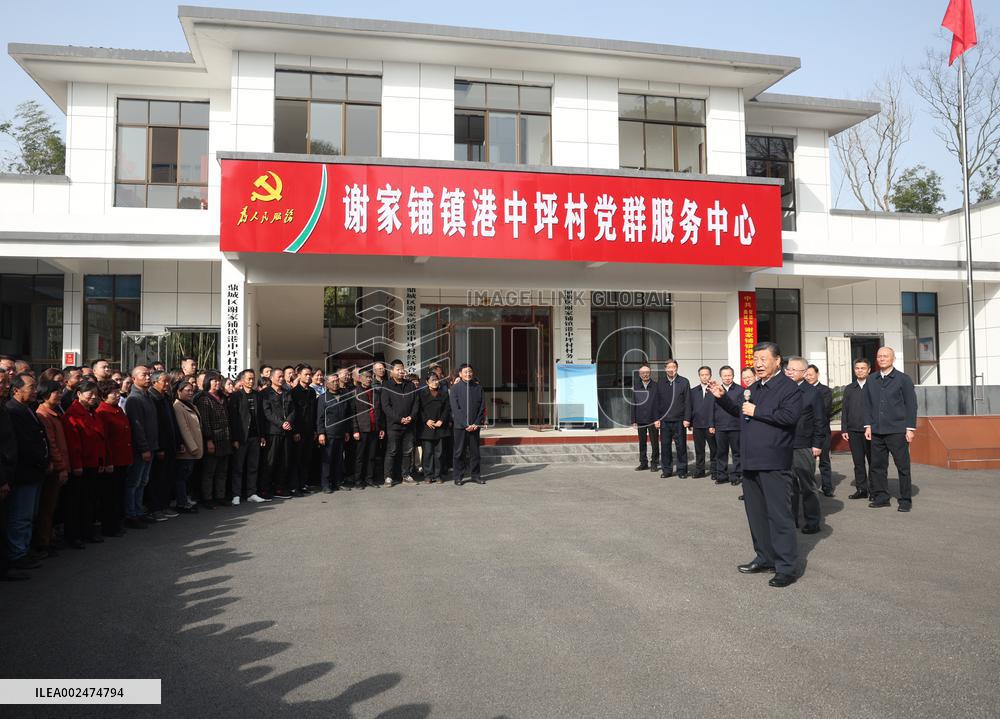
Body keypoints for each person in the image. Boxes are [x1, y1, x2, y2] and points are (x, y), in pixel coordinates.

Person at [709, 342, 803, 588]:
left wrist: (757, 410)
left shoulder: (789, 388)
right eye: (755, 359)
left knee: (779, 516)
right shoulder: (755, 388)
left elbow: (789, 417)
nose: (758, 364)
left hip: (774, 462)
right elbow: (740, 410)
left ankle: (786, 567)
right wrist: (722, 398)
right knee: (757, 515)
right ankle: (764, 557)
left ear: (777, 361)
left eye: (763, 359)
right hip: (750, 461)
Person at [864, 347, 918, 512]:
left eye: (886, 356)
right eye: (879, 356)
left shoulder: (903, 379)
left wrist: (910, 428)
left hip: (897, 430)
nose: (882, 359)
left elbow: (911, 405)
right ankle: (881, 497)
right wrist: (868, 425)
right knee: (877, 466)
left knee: (902, 466)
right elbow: (867, 404)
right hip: (877, 431)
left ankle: (905, 499)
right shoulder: (871, 379)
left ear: (893, 359)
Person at [4, 373, 49, 570]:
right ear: (16, 390)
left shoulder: (28, 409)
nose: (35, 391)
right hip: (23, 473)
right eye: (31, 387)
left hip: (36, 472)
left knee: (29, 515)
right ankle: (17, 555)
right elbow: (20, 445)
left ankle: (24, 550)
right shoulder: (12, 411)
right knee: (20, 517)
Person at [64, 380, 111, 539]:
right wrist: (77, 465)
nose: (93, 397)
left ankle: (87, 531)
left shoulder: (93, 412)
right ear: (78, 394)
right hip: (81, 465)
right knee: (77, 501)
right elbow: (73, 443)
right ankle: (75, 535)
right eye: (89, 393)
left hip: (94, 463)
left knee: (89, 499)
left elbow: (101, 439)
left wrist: (102, 461)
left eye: (95, 394)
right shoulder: (72, 414)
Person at [784, 358, 826, 535]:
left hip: (804, 445)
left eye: (794, 369)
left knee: (807, 485)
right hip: (784, 444)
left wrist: (817, 444)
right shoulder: (783, 390)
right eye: (788, 369)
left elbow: (820, 420)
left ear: (804, 372)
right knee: (788, 485)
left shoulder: (812, 392)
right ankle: (791, 519)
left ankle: (812, 521)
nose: (790, 372)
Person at [34, 380, 70, 556]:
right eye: (56, 392)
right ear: (46, 394)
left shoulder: (54, 412)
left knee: (52, 507)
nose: (60, 394)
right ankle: (43, 543)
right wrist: (61, 467)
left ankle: (48, 538)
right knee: (46, 508)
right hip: (54, 469)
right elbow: (52, 444)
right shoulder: (43, 414)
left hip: (59, 466)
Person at [0, 371, 28, 580]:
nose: (5, 386)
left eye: (6, 383)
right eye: (2, 382)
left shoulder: (3, 406)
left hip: (9, 472)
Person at [94, 380, 131, 537]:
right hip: (112, 460)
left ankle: (117, 523)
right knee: (110, 496)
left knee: (119, 493)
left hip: (123, 457)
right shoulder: (102, 412)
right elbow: (104, 440)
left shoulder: (118, 410)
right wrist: (107, 461)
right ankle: (110, 526)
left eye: (117, 392)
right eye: (113, 393)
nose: (117, 396)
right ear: (103, 395)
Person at [123, 366, 158, 527]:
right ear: (134, 378)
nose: (148, 377)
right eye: (144, 375)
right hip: (140, 450)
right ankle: (131, 514)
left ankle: (138, 511)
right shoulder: (134, 399)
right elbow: (137, 427)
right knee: (134, 483)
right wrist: (144, 448)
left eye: (149, 374)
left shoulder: (147, 395)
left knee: (143, 481)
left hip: (150, 447)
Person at [228, 369, 266, 504]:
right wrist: (235, 439)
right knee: (238, 466)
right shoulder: (236, 396)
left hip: (255, 436)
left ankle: (251, 493)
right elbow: (233, 419)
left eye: (253, 378)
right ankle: (236, 495)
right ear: (242, 380)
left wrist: (262, 435)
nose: (251, 381)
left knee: (253, 466)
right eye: (249, 379)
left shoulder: (258, 395)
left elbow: (261, 417)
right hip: (241, 437)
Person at [195, 372, 232, 508]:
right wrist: (208, 440)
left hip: (225, 438)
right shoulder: (203, 398)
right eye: (214, 381)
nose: (217, 383)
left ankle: (220, 496)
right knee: (209, 471)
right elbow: (204, 421)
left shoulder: (222, 397)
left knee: (222, 471)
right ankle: (207, 498)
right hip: (213, 439)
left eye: (218, 381)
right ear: (207, 382)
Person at [260, 366, 296, 499]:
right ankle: (264, 489)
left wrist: (288, 422)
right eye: (279, 377)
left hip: (286, 432)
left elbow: (293, 410)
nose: (281, 379)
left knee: (284, 461)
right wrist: (281, 423)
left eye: (282, 377)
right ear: (271, 378)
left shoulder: (287, 392)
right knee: (270, 461)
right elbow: (267, 412)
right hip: (273, 432)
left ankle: (279, 488)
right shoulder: (265, 393)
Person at [381, 359, 419, 486]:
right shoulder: (387, 385)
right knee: (392, 451)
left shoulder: (410, 385)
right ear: (392, 371)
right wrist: (399, 419)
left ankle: (406, 475)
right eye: (398, 369)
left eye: (402, 369)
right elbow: (386, 406)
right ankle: (388, 477)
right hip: (394, 425)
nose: (401, 371)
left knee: (407, 451)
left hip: (409, 424)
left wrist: (411, 417)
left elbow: (416, 403)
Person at [147, 371, 179, 520]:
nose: (167, 385)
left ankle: (164, 506)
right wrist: (159, 447)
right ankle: (155, 508)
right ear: (154, 382)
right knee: (157, 479)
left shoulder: (165, 397)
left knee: (168, 477)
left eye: (168, 382)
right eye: (164, 382)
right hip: (160, 446)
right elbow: (155, 426)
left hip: (171, 444)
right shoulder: (152, 397)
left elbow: (172, 421)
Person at [841, 358, 873, 500]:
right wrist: (844, 429)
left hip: (871, 431)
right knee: (858, 462)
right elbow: (845, 410)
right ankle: (862, 489)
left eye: (863, 368)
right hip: (853, 430)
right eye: (857, 368)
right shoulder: (849, 388)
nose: (859, 370)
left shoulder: (874, 387)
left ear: (869, 370)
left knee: (873, 462)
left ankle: (875, 490)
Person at [450, 363, 486, 486]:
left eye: (470, 371)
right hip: (460, 427)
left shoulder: (478, 388)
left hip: (475, 426)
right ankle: (458, 476)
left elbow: (482, 407)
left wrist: (476, 423)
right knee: (459, 452)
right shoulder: (455, 389)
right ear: (460, 374)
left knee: (475, 452)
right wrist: (466, 424)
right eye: (465, 372)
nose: (468, 374)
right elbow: (455, 409)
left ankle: (476, 475)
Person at [655, 359, 691, 479]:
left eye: (673, 367)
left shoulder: (684, 382)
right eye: (668, 367)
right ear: (665, 369)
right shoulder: (660, 383)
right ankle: (667, 470)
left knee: (681, 446)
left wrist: (687, 418)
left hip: (680, 421)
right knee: (665, 447)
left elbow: (687, 402)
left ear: (677, 368)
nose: (671, 369)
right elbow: (657, 402)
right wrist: (657, 419)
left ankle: (682, 471)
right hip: (664, 421)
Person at [172, 380, 203, 513]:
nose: (191, 393)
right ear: (179, 392)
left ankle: (186, 499)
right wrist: (193, 447)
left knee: (187, 477)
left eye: (192, 390)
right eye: (187, 390)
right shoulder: (178, 406)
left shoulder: (191, 405)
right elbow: (183, 429)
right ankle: (182, 502)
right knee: (181, 478)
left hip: (194, 446)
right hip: (187, 448)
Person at [317, 374, 351, 492]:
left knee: (339, 460)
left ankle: (337, 482)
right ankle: (326, 484)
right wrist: (321, 433)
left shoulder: (343, 396)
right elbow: (320, 417)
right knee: (327, 460)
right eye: (333, 381)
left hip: (341, 432)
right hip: (328, 433)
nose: (336, 383)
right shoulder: (323, 398)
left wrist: (346, 431)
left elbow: (347, 415)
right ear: (327, 384)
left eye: (337, 381)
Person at [805, 364, 834, 497]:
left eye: (811, 374)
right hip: (806, 432)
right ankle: (808, 487)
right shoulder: (802, 390)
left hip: (822, 431)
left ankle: (827, 487)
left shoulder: (825, 390)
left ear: (817, 375)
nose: (808, 377)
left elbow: (825, 410)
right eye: (807, 374)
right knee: (806, 461)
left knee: (824, 460)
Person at [352, 369, 384, 489]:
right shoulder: (355, 392)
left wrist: (381, 428)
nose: (369, 379)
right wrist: (355, 429)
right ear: (360, 379)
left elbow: (379, 411)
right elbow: (353, 413)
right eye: (366, 377)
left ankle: (369, 479)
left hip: (374, 428)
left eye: (370, 377)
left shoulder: (376, 392)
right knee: (360, 457)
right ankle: (358, 481)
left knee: (372, 456)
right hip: (361, 429)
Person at [417, 372, 451, 483]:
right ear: (427, 382)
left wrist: (441, 420)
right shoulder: (422, 393)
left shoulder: (444, 393)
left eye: (436, 380)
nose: (435, 382)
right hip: (427, 427)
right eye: (432, 380)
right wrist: (426, 420)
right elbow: (419, 409)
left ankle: (438, 475)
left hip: (440, 426)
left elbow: (447, 409)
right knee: (427, 452)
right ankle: (428, 475)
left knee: (439, 453)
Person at [290, 364, 318, 495]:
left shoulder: (312, 392)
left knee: (306, 459)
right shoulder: (294, 392)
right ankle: (294, 486)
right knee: (296, 459)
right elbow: (293, 414)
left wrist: (315, 430)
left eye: (309, 374)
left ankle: (303, 484)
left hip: (309, 430)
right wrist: (294, 431)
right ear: (299, 375)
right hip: (298, 431)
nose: (308, 377)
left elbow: (314, 412)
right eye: (306, 374)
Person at [712, 366, 743, 486]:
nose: (727, 378)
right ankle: (722, 475)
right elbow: (712, 409)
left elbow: (739, 409)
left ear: (733, 376)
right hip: (720, 426)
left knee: (736, 453)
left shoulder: (740, 390)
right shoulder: (716, 390)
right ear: (721, 377)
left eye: (729, 375)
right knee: (721, 452)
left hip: (735, 426)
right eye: (725, 375)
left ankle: (735, 475)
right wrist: (712, 424)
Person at [630, 364, 659, 472]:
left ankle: (654, 463)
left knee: (654, 442)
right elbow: (633, 404)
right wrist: (633, 420)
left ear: (650, 373)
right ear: (639, 374)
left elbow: (659, 404)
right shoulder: (636, 387)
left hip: (653, 419)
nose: (645, 375)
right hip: (640, 419)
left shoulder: (656, 386)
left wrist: (658, 419)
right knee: (642, 442)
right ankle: (643, 463)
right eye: (643, 373)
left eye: (647, 372)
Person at [690, 366, 717, 479]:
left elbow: (717, 409)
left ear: (710, 375)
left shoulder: (715, 390)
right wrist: (691, 422)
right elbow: (690, 407)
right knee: (699, 449)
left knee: (714, 449)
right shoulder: (693, 391)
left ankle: (715, 471)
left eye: (707, 374)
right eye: (702, 375)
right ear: (699, 376)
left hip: (711, 425)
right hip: (697, 425)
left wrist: (713, 424)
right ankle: (700, 470)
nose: (705, 376)